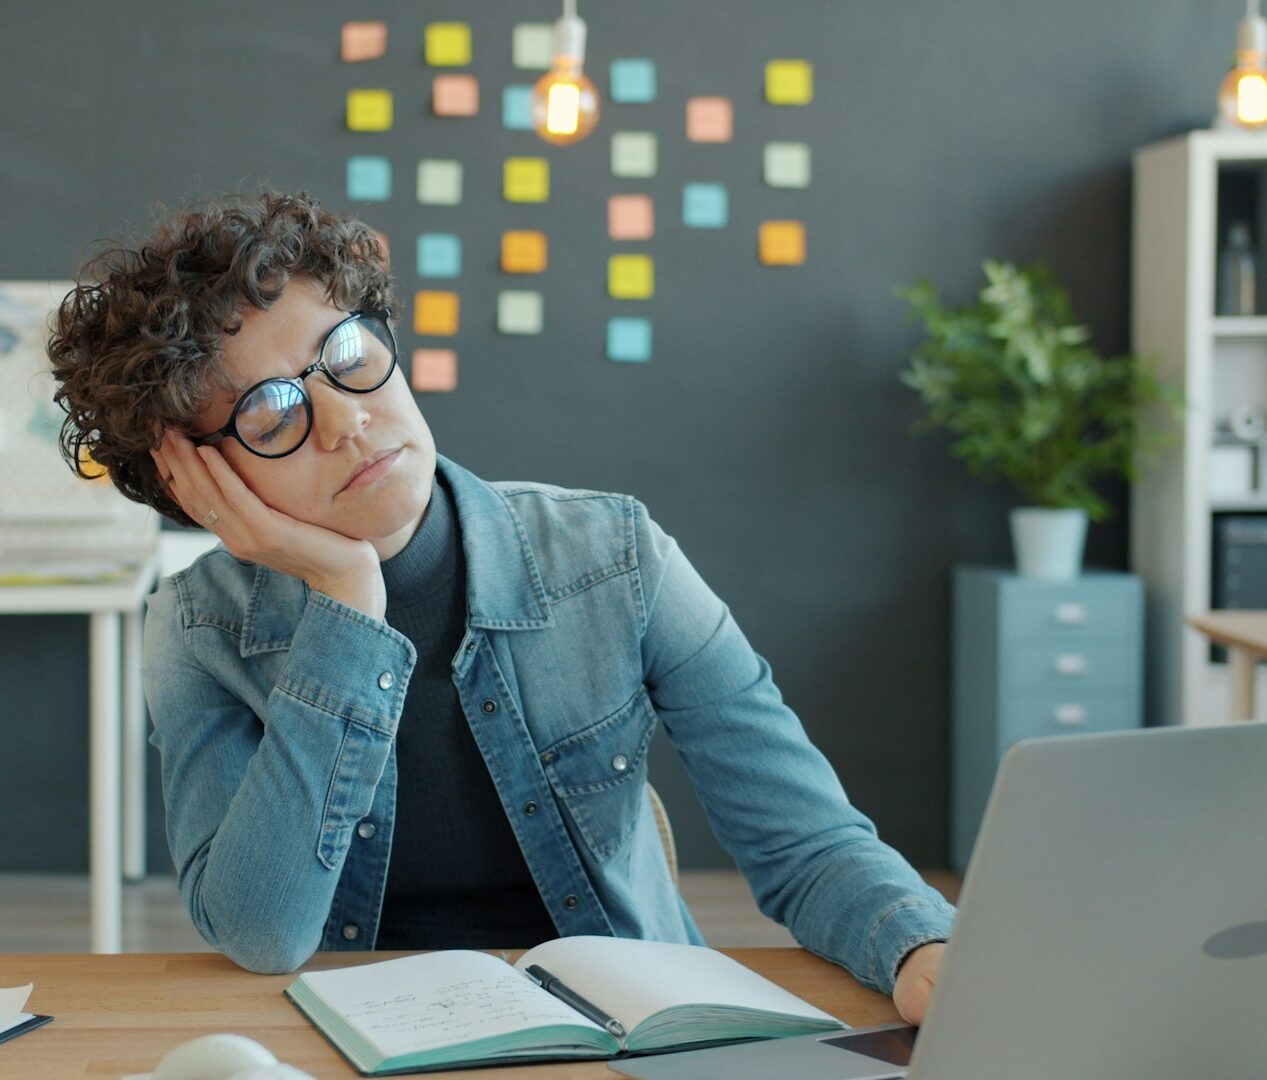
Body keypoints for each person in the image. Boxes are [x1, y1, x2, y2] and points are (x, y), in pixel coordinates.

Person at [48, 192, 954, 1022]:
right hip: (362, 1040)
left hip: (634, 1033)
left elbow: (807, 843)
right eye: (272, 415)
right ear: (198, 481)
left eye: (347, 356)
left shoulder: (617, 558)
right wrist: (347, 605)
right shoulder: (197, 629)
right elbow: (262, 935)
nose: (346, 422)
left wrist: (923, 948)